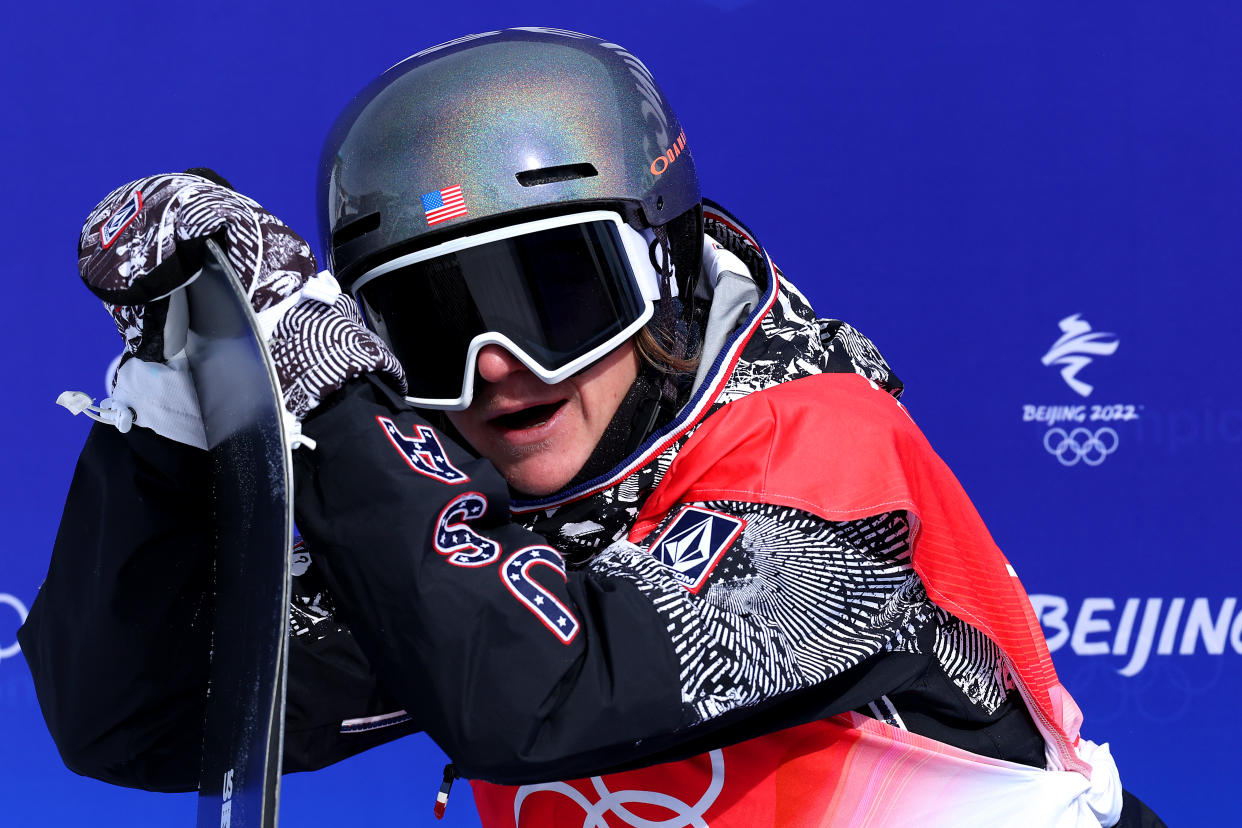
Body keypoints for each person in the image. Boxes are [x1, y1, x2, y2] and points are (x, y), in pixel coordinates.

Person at [21, 28, 1160, 827]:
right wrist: (182, 404)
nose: (499, 368)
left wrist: (334, 391)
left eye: (558, 298)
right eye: (429, 325)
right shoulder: (484, 514)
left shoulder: (822, 445)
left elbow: (542, 696)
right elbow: (144, 718)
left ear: (661, 271)